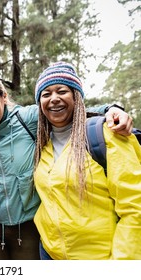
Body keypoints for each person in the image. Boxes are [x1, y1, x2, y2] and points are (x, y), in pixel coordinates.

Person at [0, 68, 133, 260]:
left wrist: (112, 109)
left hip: (28, 225)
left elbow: (68, 108)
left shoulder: (27, 118)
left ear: (4, 97)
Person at [33, 61, 141, 260]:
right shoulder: (44, 146)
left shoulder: (106, 134)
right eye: (46, 94)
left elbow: (135, 208)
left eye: (62, 91)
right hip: (50, 255)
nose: (54, 99)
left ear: (76, 97)